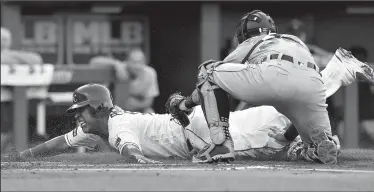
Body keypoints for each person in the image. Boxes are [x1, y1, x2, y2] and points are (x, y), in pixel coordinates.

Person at [7, 48, 373, 163]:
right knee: (281, 122)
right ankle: (307, 141)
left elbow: (131, 151)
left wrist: (142, 163)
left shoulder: (116, 126)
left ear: (98, 109)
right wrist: (22, 157)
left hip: (196, 134)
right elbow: (59, 143)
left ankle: (337, 73)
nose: (78, 119)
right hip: (193, 127)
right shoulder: (101, 123)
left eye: (81, 111)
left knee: (276, 129)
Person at [166, 10, 374, 165]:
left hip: (275, 73)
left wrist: (185, 104)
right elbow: (295, 99)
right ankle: (321, 145)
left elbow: (212, 81)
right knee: (315, 145)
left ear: (245, 32)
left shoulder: (257, 40)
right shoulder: (295, 42)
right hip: (312, 85)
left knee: (208, 71)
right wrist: (285, 137)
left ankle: (220, 144)